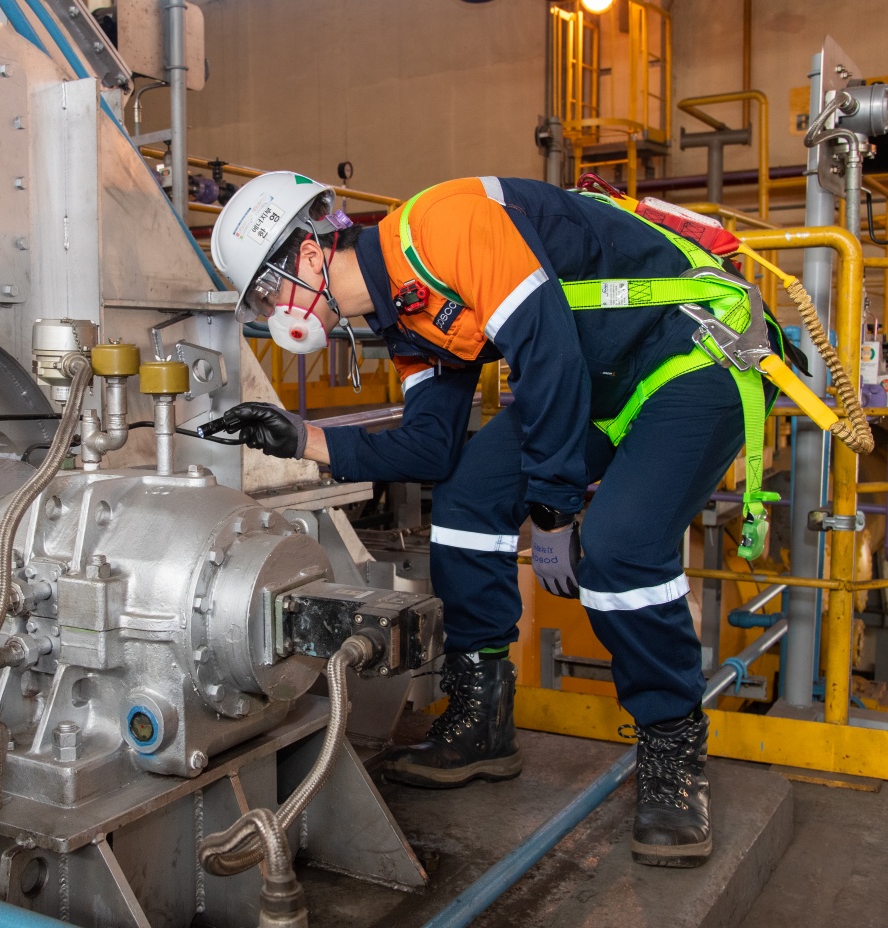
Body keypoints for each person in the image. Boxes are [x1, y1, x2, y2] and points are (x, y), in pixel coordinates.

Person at [205, 171, 786, 869]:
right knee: (468, 501)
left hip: (692, 356)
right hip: (601, 379)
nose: (272, 313)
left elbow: (550, 358)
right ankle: (482, 718)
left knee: (621, 545)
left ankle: (672, 748)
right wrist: (299, 438)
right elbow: (432, 445)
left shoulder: (446, 227)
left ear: (304, 256)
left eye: (268, 292)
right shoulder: (407, 319)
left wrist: (554, 511)